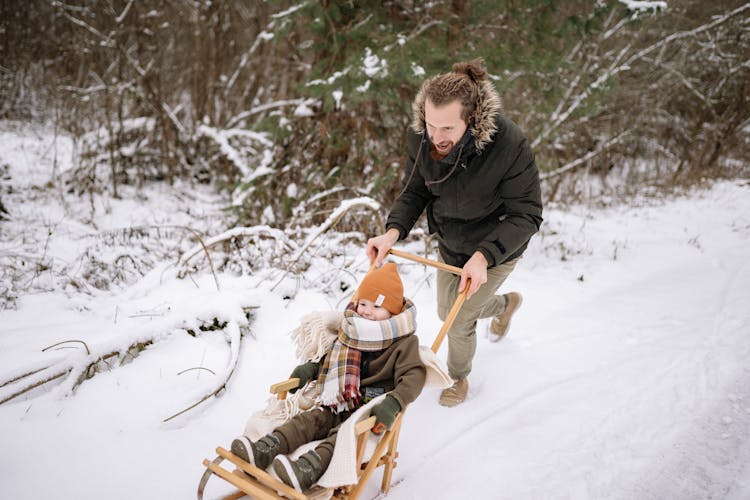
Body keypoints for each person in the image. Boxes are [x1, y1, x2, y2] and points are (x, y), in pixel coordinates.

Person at [366, 59, 543, 408]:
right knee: (446, 308)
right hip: (450, 241)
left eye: (447, 128)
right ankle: (506, 305)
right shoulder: (421, 136)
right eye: (431, 125)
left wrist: (484, 256)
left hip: (496, 247)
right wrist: (392, 232)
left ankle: (457, 375)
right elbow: (416, 190)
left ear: (472, 119)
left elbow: (527, 214)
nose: (436, 137)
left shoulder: (510, 144)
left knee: (459, 319)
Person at [230, 263, 425, 493]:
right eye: (363, 303)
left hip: (368, 413)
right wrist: (312, 369)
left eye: (377, 306)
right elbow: (333, 361)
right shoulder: (351, 329)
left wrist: (395, 402)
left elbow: (414, 375)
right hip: (337, 401)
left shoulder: (403, 343)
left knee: (342, 437)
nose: (366, 311)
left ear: (393, 311)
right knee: (308, 421)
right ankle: (265, 448)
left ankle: (307, 469)